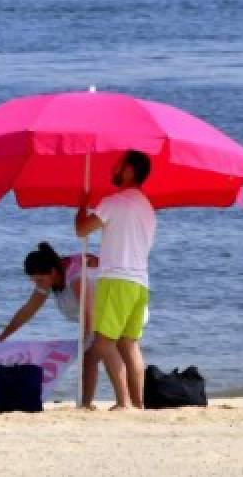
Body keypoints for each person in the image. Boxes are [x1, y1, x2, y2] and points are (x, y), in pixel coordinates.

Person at [75, 150, 156, 410]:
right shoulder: (147, 208)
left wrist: (82, 205)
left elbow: (82, 229)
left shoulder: (114, 202)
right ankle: (137, 402)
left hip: (116, 281)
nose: (114, 170)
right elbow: (127, 242)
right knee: (129, 343)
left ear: (130, 170)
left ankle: (123, 402)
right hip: (139, 282)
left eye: (119, 166)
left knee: (103, 342)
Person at [0, 242, 99, 348]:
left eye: (39, 280)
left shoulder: (76, 280)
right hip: (101, 320)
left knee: (89, 358)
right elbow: (27, 310)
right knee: (90, 359)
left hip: (111, 312)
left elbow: (89, 312)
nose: (38, 284)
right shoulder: (50, 278)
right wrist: (2, 337)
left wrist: (87, 338)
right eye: (34, 281)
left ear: (53, 272)